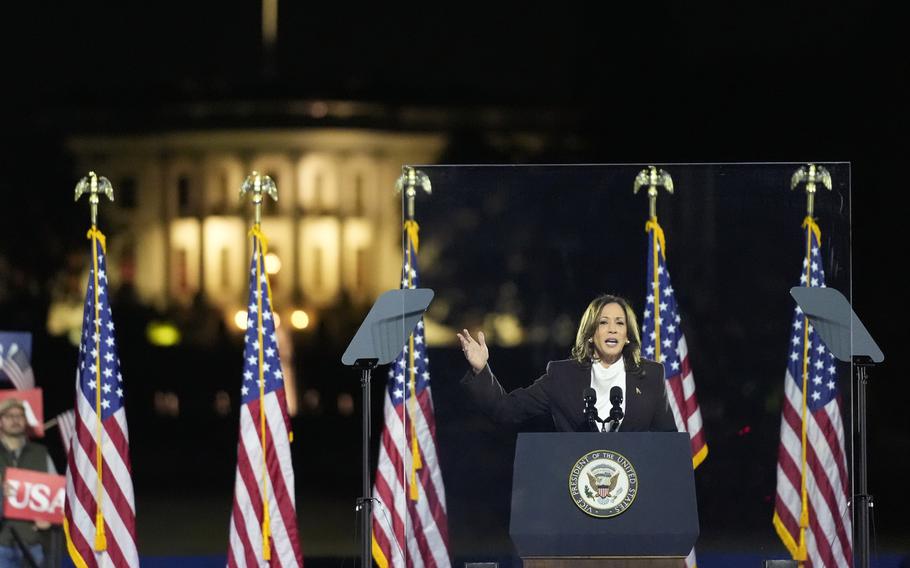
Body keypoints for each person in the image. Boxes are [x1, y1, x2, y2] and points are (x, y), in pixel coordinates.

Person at [457, 294, 678, 433]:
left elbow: (666, 442)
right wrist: (481, 369)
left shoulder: (651, 375)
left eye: (619, 323)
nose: (612, 328)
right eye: (603, 322)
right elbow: (505, 411)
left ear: (627, 335)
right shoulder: (561, 376)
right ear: (591, 334)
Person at [0, 398, 55, 567]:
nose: (15, 419)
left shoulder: (41, 453)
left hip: (32, 544)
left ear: (26, 421)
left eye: (19, 415)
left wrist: (50, 518)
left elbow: (57, 493)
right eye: (9, 416)